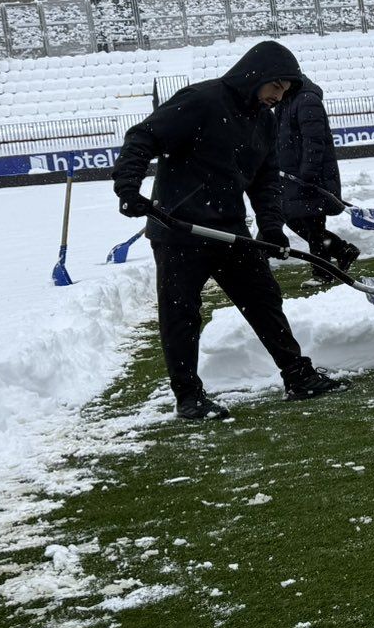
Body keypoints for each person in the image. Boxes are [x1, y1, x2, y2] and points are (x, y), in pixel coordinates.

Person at [112, 39, 343, 421]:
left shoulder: (263, 121)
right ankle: (188, 397)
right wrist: (127, 187)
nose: (277, 96)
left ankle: (297, 375)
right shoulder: (202, 100)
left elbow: (265, 180)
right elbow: (142, 137)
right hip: (179, 231)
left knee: (264, 299)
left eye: (284, 91)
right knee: (181, 313)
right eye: (276, 86)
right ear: (257, 76)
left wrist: (271, 225)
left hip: (228, 229)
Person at [273, 74, 360, 270]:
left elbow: (314, 141)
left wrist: (309, 173)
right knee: (295, 219)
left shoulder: (306, 100)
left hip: (311, 176)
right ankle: (341, 250)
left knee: (314, 225)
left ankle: (323, 272)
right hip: (292, 176)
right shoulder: (284, 101)